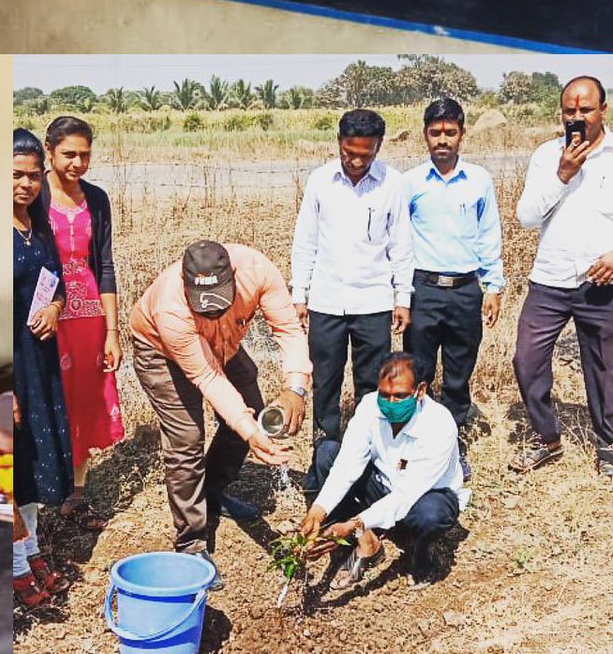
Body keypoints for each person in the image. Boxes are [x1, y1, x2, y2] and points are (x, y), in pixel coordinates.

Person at [130, 239, 308, 584]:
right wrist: (249, 431)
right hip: (161, 351)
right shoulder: (172, 309)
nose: (212, 312)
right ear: (186, 287)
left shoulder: (257, 271)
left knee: (253, 410)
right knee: (187, 438)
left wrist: (295, 389)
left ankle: (211, 493)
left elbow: (288, 329)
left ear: (234, 279)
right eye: (204, 308)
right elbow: (208, 376)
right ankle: (191, 543)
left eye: (220, 305)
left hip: (222, 345)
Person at [291, 108, 414, 446]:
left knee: (370, 383)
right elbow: (306, 240)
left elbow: (402, 244)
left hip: (372, 301)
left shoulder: (393, 183)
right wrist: (299, 295)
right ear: (339, 143)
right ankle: (325, 448)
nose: (356, 162)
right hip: (327, 302)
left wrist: (402, 298)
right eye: (349, 153)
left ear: (379, 147)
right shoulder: (320, 181)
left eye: (365, 154)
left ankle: (368, 447)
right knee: (326, 381)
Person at [511, 75, 613, 477]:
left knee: (605, 367)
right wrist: (562, 174)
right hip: (549, 279)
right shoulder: (545, 156)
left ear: (602, 110)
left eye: (585, 109)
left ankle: (608, 444)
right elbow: (526, 217)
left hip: (600, 283)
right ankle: (547, 438)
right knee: (527, 360)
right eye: (569, 109)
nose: (576, 117)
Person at [301, 352, 466, 588]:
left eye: (399, 396)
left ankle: (421, 555)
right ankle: (366, 541)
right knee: (328, 453)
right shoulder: (369, 407)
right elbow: (347, 464)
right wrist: (319, 510)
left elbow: (407, 494)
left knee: (431, 514)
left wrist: (353, 523)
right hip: (383, 486)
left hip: (423, 497)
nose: (390, 404)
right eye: (384, 395)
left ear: (420, 391)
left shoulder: (439, 424)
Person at [402, 98, 503, 482]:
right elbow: (398, 239)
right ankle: (417, 440)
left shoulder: (479, 180)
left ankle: (453, 441)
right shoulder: (410, 182)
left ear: (462, 134)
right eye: (435, 132)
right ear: (425, 135)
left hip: (465, 291)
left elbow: (489, 234)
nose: (442, 139)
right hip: (424, 289)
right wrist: (401, 294)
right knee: (420, 367)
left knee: (460, 371)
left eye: (450, 132)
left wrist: (493, 286)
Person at [36, 115, 124, 532]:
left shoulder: (97, 199)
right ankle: (37, 492)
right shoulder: (31, 197)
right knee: (49, 397)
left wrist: (112, 330)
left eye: (85, 155)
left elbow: (104, 265)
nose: (77, 163)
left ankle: (76, 495)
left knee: (85, 402)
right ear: (48, 151)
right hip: (45, 315)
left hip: (88, 315)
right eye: (69, 154)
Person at [12, 128, 71, 608]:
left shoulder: (40, 227)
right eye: (14, 174)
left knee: (30, 463)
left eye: (33, 176)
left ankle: (29, 549)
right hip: (10, 367)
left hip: (41, 364)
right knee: (6, 468)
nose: (25, 184)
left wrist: (55, 309)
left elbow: (58, 285)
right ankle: (11, 567)